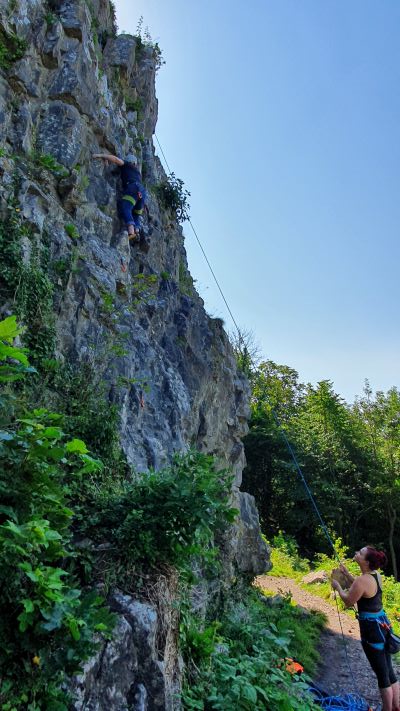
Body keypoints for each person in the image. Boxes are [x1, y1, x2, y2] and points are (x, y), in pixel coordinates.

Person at [331, 546, 399, 711]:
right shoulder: (375, 575)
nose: (356, 553)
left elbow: (348, 600)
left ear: (366, 562)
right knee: (388, 670)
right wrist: (347, 575)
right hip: (383, 626)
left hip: (371, 632)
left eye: (360, 553)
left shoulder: (362, 580)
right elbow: (362, 587)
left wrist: (338, 587)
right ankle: (397, 706)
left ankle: (387, 709)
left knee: (381, 674)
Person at [93, 152, 146, 239]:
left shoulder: (127, 165)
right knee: (136, 214)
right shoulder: (137, 173)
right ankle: (137, 231)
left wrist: (101, 155)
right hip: (142, 193)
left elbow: (116, 160)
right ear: (135, 163)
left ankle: (131, 231)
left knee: (126, 207)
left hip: (133, 188)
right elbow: (114, 172)